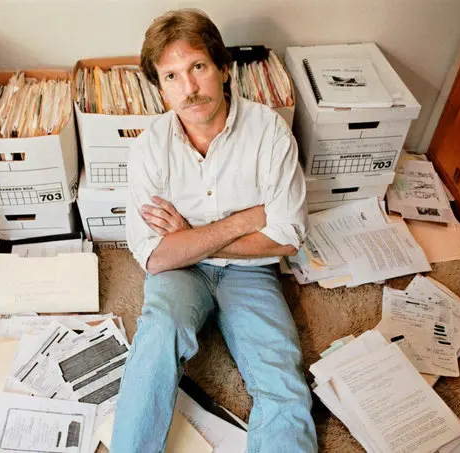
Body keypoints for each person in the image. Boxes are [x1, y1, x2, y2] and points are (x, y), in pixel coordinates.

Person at [111, 9, 318, 453]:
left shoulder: (270, 132)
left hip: (252, 273)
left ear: (224, 69)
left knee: (283, 381)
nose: (189, 88)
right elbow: (155, 256)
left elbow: (288, 236)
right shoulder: (149, 148)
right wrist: (242, 221)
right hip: (180, 273)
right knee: (156, 339)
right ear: (161, 89)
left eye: (198, 67)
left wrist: (189, 236)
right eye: (172, 76)